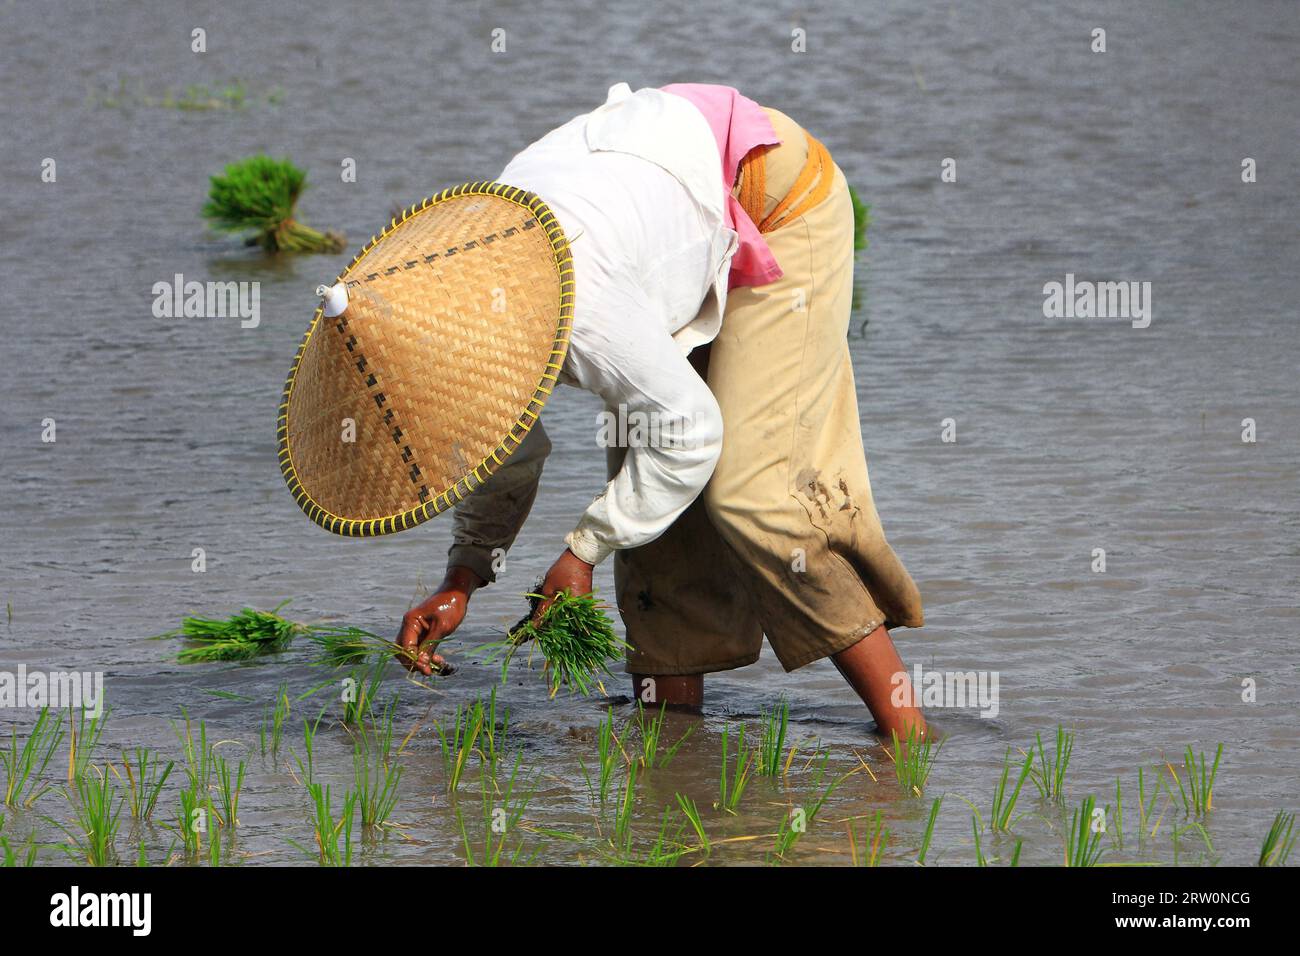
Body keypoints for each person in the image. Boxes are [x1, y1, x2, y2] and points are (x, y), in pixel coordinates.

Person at [388, 83, 928, 739]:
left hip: (776, 201)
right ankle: (672, 746)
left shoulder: (572, 307)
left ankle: (908, 737)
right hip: (662, 228)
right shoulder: (470, 324)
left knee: (755, 495)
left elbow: (690, 434)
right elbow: (509, 456)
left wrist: (581, 553)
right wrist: (463, 579)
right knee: (648, 521)